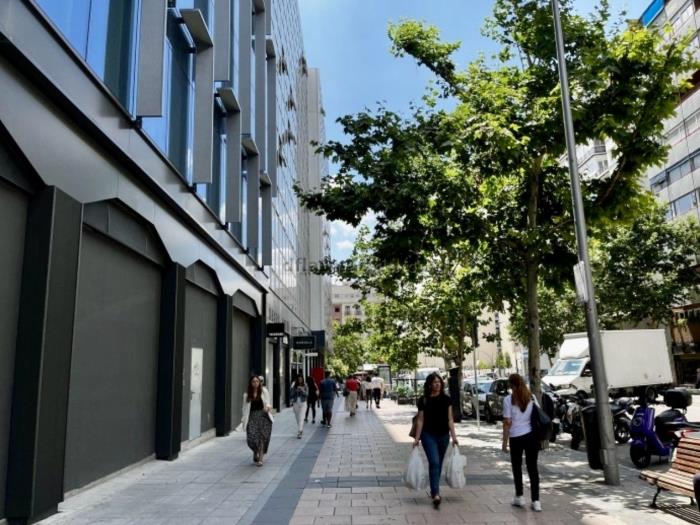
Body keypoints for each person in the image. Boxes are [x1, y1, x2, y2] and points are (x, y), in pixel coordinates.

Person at [412, 372, 459, 508]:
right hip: (428, 435)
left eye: (439, 382)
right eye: (434, 382)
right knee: (434, 462)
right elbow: (420, 420)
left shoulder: (446, 399)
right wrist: (417, 438)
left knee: (437, 465)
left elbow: (450, 419)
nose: (437, 384)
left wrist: (454, 436)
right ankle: (436, 493)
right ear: (429, 384)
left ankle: (434, 491)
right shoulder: (424, 400)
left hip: (444, 435)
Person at [501, 373, 542, 512]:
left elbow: (507, 423)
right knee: (533, 468)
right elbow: (537, 415)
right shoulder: (531, 397)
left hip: (516, 437)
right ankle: (536, 501)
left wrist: (504, 443)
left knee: (517, 468)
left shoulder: (508, 400)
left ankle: (520, 496)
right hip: (531, 437)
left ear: (511, 385)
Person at [242, 375, 273, 466]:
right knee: (251, 438)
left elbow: (268, 403)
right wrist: (244, 419)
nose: (255, 383)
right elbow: (244, 408)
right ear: (250, 383)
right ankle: (255, 451)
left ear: (259, 383)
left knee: (262, 439)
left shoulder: (264, 391)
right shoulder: (246, 395)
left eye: (257, 381)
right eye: (253, 382)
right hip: (252, 418)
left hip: (263, 418)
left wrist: (267, 408)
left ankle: (260, 459)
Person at [290, 374, 308, 438]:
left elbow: (307, 394)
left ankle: (299, 432)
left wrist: (302, 390)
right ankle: (301, 429)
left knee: (301, 417)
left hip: (303, 403)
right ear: (297, 379)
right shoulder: (293, 384)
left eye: (301, 379)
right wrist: (296, 391)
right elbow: (291, 395)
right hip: (296, 403)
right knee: (297, 418)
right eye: (299, 379)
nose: (300, 380)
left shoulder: (305, 385)